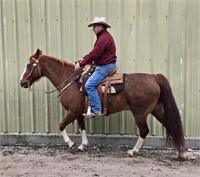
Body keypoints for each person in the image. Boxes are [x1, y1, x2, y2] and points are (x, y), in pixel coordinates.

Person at [75, 16, 117, 117]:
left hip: (105, 66)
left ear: (101, 26)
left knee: (89, 85)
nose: (93, 28)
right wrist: (84, 58)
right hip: (104, 64)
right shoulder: (103, 37)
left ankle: (97, 110)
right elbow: (94, 52)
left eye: (95, 26)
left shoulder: (103, 38)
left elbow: (95, 54)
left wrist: (81, 64)